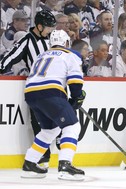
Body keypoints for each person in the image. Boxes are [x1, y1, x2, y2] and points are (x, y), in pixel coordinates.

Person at [21, 30, 86, 180]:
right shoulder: (71, 55)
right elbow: (75, 80)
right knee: (72, 126)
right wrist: (77, 96)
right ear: (67, 43)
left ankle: (30, 163)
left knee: (50, 130)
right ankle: (65, 165)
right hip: (50, 93)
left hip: (31, 94)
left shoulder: (41, 55)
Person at [0, 10, 56, 168]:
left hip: (56, 86)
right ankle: (41, 155)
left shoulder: (51, 39)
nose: (50, 30)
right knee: (39, 121)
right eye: (48, 27)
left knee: (58, 121)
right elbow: (11, 56)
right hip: (37, 88)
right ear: (39, 26)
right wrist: (1, 67)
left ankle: (47, 153)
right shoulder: (27, 39)